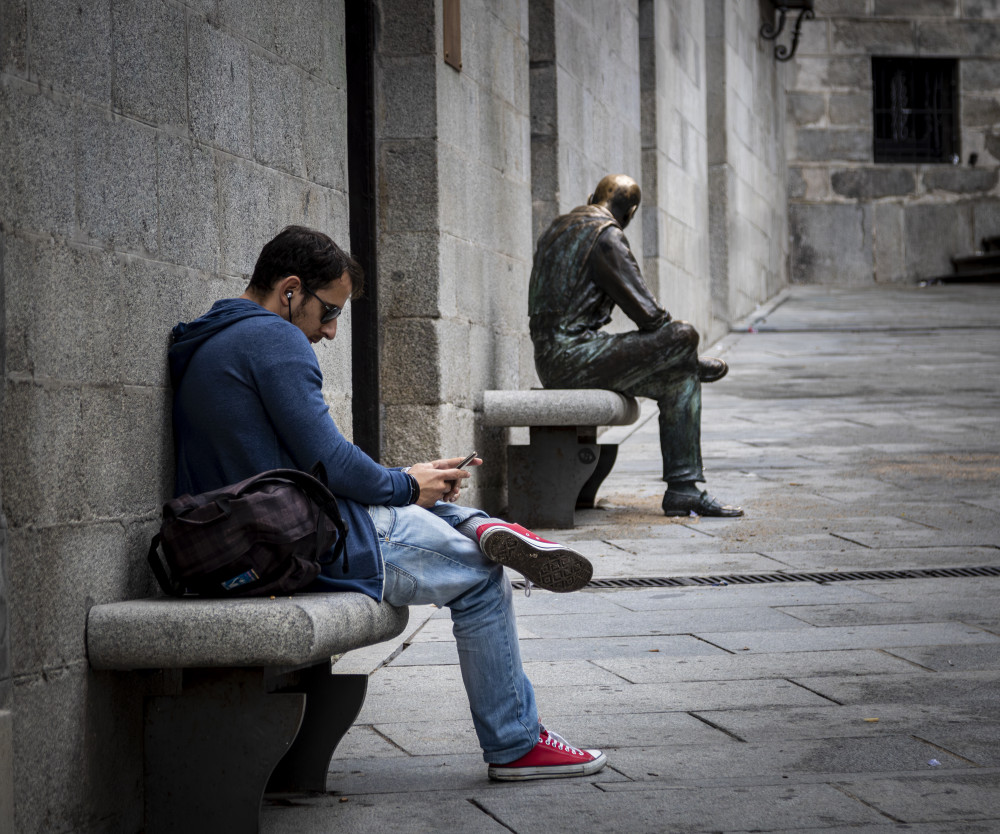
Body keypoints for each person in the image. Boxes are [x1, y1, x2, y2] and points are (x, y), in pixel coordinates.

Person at [168, 225, 607, 781]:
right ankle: (516, 744)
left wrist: (408, 482)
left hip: (248, 540)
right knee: (481, 577)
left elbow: (310, 465)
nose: (330, 331)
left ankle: (479, 525)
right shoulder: (273, 339)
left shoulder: (213, 336)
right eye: (329, 311)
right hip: (293, 547)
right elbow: (331, 461)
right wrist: (406, 485)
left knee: (414, 497)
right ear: (290, 290)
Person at [529, 174, 743, 518]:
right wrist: (677, 344)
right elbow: (650, 316)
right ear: (630, 213)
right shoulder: (605, 236)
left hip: (554, 357)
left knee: (680, 381)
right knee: (684, 334)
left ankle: (683, 490)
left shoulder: (554, 230)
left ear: (591, 196)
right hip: (572, 356)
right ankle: (689, 359)